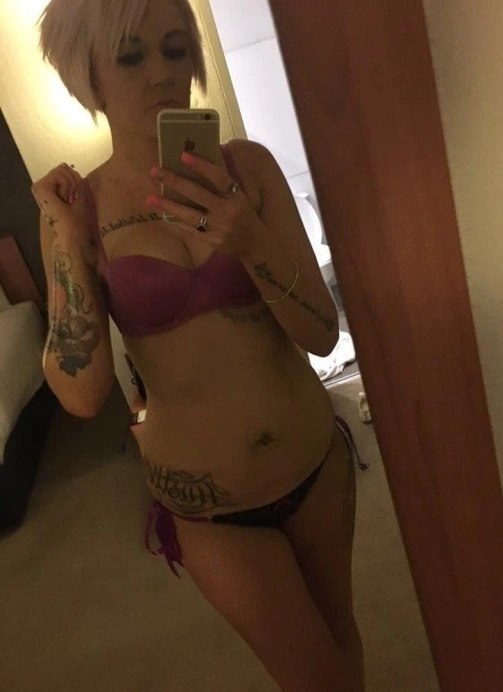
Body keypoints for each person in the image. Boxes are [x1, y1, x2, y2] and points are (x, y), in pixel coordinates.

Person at [32, 0, 367, 689]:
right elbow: (82, 392)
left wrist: (249, 241)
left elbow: (322, 332)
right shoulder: (79, 211)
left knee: (340, 636)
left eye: (176, 48)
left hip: (316, 464)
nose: (162, 72)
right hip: (211, 509)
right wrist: (65, 237)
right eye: (131, 56)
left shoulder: (249, 169)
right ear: (89, 76)